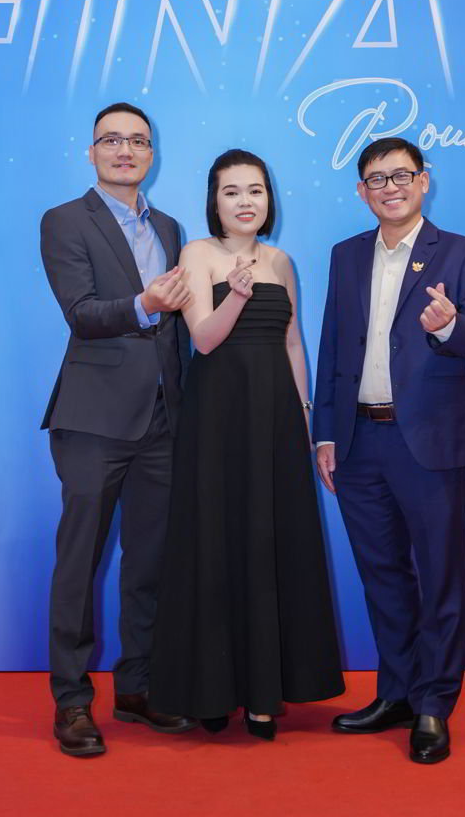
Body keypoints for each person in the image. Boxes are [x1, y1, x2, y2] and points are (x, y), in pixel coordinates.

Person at [313, 137, 465, 764]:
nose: (389, 187)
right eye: (376, 179)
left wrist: (448, 326)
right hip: (358, 442)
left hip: (429, 443)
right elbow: (332, 348)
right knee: (383, 577)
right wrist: (326, 433)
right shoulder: (345, 256)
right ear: (361, 191)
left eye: (401, 176)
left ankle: (433, 705)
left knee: (441, 576)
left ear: (423, 180)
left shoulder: (462, 253)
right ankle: (395, 692)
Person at [150, 149, 344, 739]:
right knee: (215, 542)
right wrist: (235, 294)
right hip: (217, 420)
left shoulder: (281, 261)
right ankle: (213, 689)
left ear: (268, 198)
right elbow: (204, 341)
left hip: (277, 419)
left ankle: (265, 695)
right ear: (215, 200)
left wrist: (305, 418)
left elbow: (292, 344)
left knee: (270, 542)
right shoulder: (197, 254)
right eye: (231, 191)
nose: (245, 201)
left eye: (255, 190)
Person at [40, 102, 196, 757]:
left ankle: (137, 686)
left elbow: (184, 331)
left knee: (150, 561)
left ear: (152, 154)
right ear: (92, 151)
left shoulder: (171, 227)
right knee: (80, 561)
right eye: (112, 140)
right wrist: (145, 304)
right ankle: (72, 700)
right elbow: (81, 313)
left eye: (137, 140)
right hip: (93, 419)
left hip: (163, 419)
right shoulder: (64, 220)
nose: (125, 150)